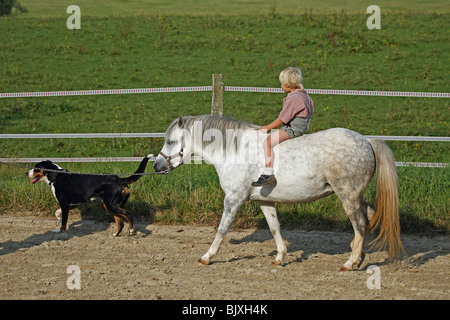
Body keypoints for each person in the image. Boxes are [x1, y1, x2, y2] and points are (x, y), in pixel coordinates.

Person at [252, 67, 315, 187]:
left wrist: (267, 127)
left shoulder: (294, 98)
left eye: (281, 84)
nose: (281, 86)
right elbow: (312, 110)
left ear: (287, 85)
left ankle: (268, 173)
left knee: (268, 142)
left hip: (292, 129)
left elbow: (282, 118)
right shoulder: (305, 95)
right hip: (301, 126)